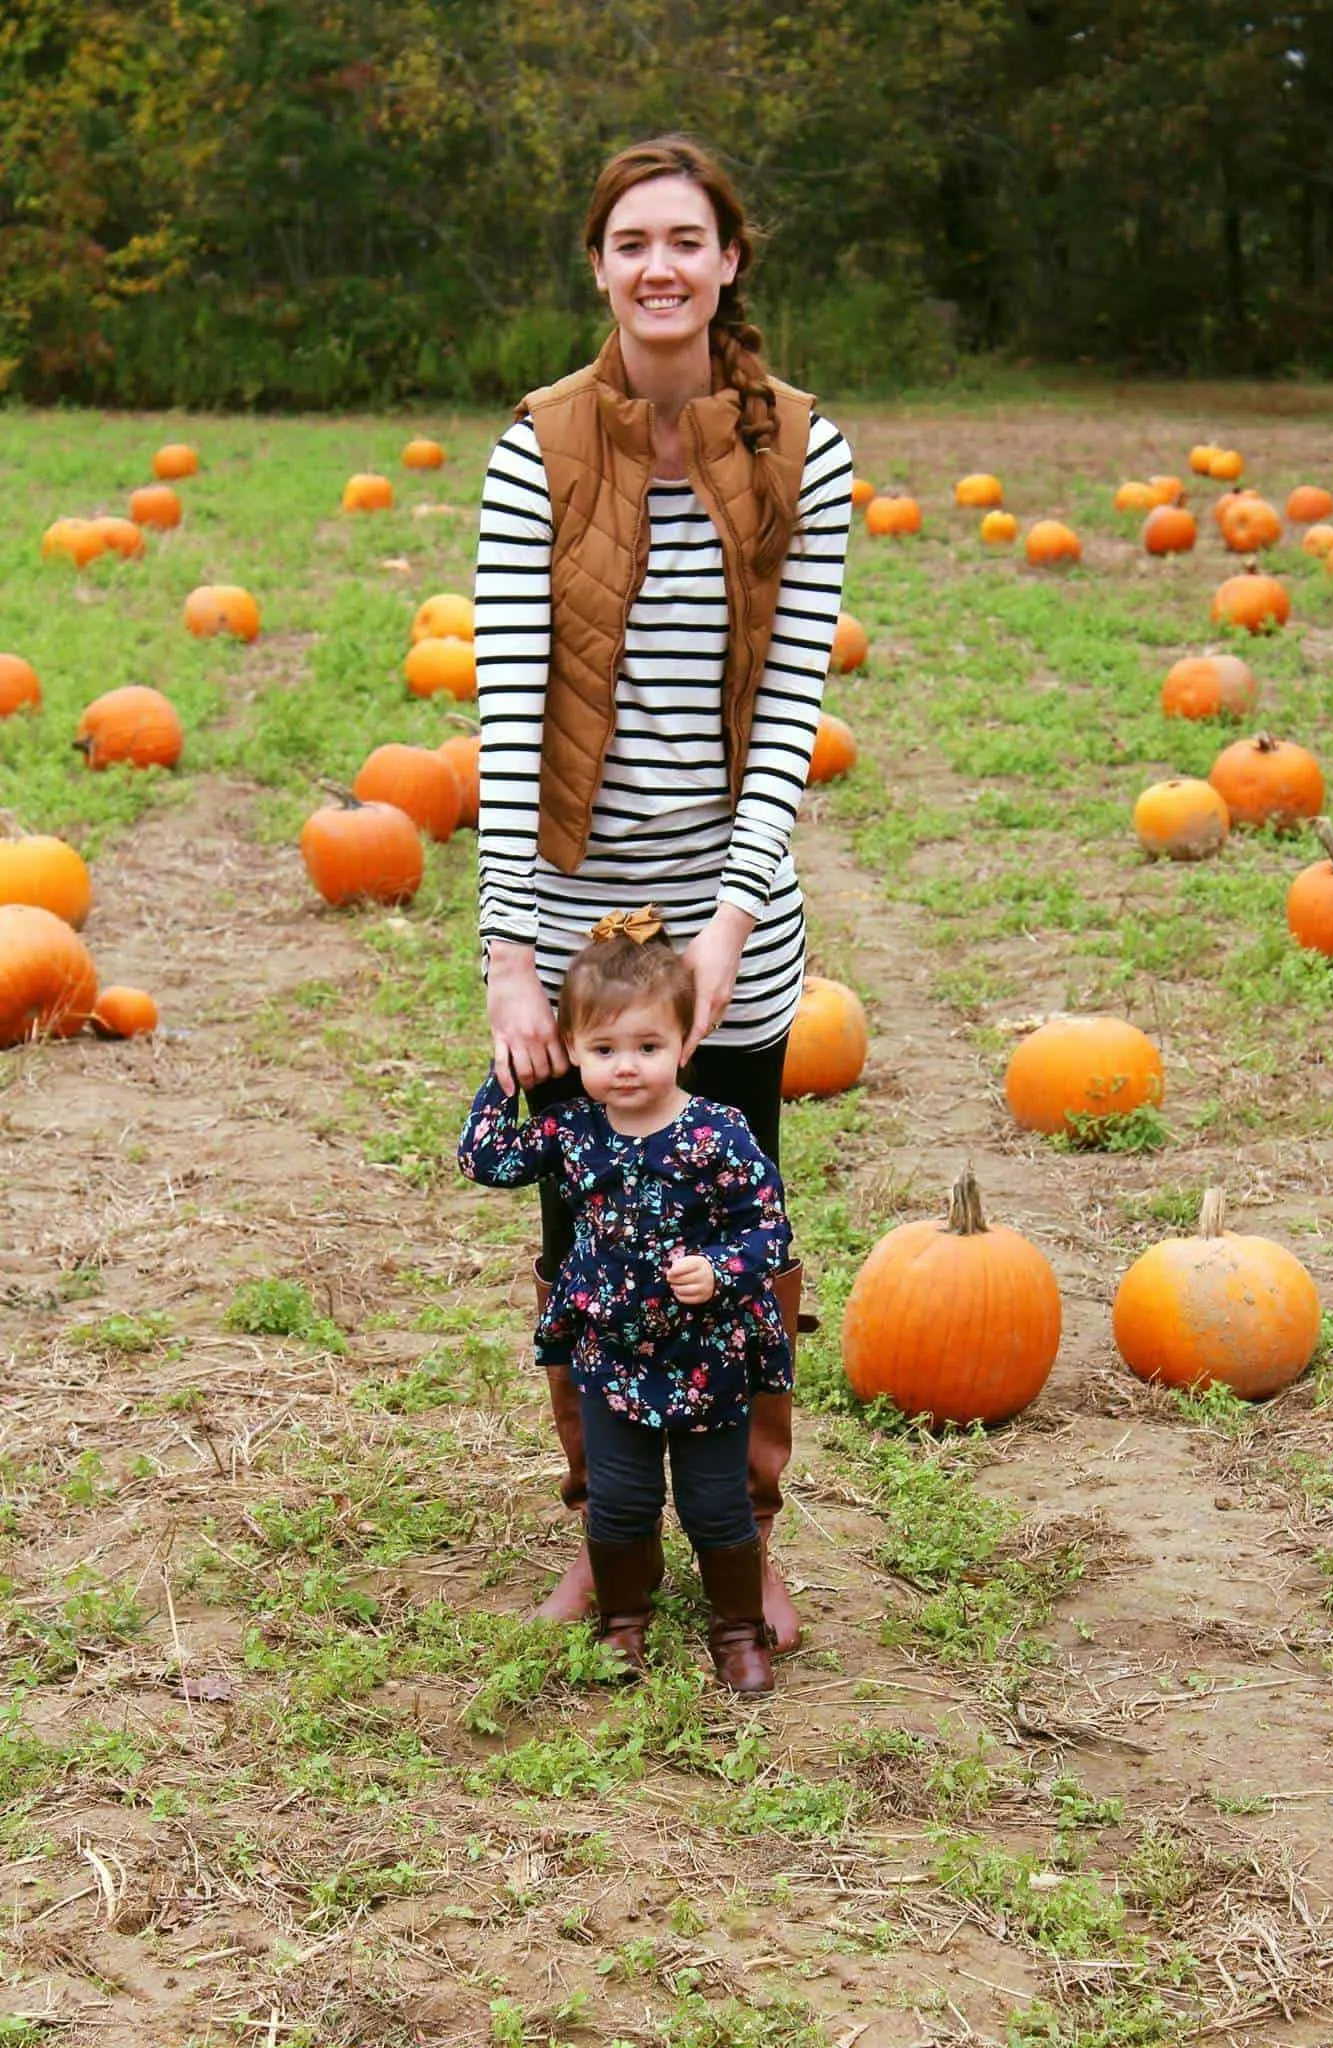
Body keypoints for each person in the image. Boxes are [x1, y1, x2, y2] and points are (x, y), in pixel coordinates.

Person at [473, 133, 852, 1649]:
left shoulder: (801, 446)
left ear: (730, 260)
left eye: (686, 239)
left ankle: (741, 1548)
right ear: (598, 265)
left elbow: (787, 720)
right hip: (576, 920)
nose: (660, 267)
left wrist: (731, 925)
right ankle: (606, 1531)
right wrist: (511, 953)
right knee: (587, 1246)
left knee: (732, 1223)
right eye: (632, 241)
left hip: (727, 913)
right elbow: (510, 708)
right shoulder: (539, 448)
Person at [458, 916, 792, 1693]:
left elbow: (767, 1231)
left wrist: (718, 1269)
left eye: (647, 1047)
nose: (627, 1067)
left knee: (715, 1502)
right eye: (603, 1050)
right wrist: (503, 1075)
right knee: (619, 1499)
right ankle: (622, 1623)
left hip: (706, 1356)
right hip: (608, 1352)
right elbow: (485, 1158)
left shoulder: (720, 1133)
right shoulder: (573, 1131)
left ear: (684, 1045)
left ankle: (739, 1629)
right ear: (572, 1052)